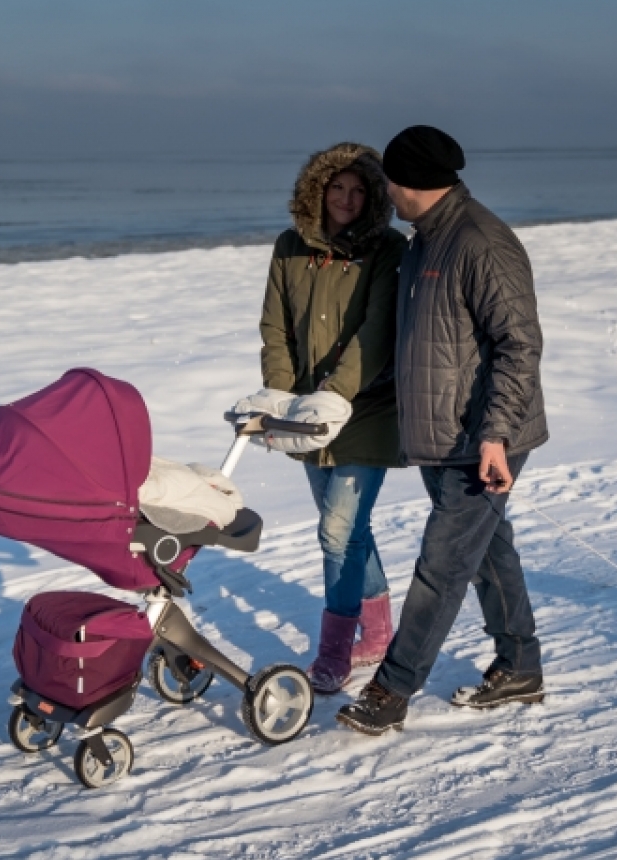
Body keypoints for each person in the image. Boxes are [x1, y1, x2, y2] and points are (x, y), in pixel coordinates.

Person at [337, 125, 549, 735]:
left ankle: (392, 689)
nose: (383, 194)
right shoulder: (424, 240)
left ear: (409, 185)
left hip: (480, 439)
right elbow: (425, 347)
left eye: (387, 184)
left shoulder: (481, 242)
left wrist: (496, 436)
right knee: (486, 553)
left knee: (442, 564)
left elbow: (520, 344)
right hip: (441, 435)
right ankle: (520, 665)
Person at [240, 142, 408, 694]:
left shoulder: (388, 248)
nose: (348, 198)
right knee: (349, 532)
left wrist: (337, 394)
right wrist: (282, 398)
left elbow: (378, 328)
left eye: (360, 190)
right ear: (318, 190)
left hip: (365, 408)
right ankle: (379, 632)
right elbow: (276, 325)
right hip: (305, 414)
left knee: (336, 532)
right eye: (338, 188)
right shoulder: (290, 246)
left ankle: (334, 651)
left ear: (373, 197)